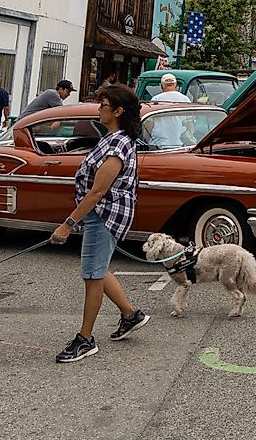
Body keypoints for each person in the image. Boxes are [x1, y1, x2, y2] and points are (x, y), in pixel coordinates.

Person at [49, 85, 149, 363]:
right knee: (99, 268)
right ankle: (130, 315)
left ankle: (85, 339)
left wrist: (67, 224)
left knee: (92, 275)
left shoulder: (118, 143)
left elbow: (98, 190)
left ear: (118, 111)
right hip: (104, 212)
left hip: (105, 213)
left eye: (103, 104)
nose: (99, 108)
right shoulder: (114, 138)